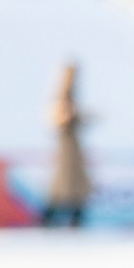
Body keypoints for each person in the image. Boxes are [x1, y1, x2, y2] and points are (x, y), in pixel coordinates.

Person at [42, 61, 91, 228]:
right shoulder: (62, 99)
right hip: (66, 148)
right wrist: (70, 116)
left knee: (75, 187)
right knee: (63, 188)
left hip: (72, 148)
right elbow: (58, 120)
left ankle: (74, 219)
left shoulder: (69, 100)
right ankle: (48, 219)